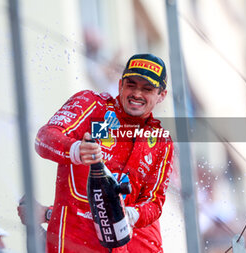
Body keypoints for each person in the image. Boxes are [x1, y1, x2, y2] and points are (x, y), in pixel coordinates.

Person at [35, 53, 174, 252]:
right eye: (131, 85)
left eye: (147, 89)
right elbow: (44, 138)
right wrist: (75, 149)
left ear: (161, 95)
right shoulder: (93, 106)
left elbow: (154, 201)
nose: (136, 94)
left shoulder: (161, 141)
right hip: (72, 243)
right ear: (120, 85)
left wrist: (131, 215)